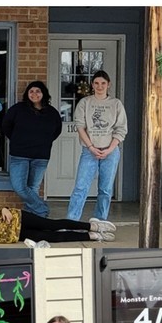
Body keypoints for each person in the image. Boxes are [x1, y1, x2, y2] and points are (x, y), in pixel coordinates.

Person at [67, 70, 128, 222]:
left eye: (103, 83)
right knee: (81, 187)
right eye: (96, 83)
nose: (100, 86)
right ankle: (71, 221)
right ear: (92, 85)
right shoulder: (85, 103)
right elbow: (80, 126)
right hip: (89, 151)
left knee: (105, 189)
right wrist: (91, 147)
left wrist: (110, 149)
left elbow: (121, 129)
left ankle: (100, 221)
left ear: (108, 85)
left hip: (110, 151)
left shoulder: (116, 104)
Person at [0, 198, 116, 246]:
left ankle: (93, 225)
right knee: (53, 238)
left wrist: (4, 209)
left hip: (16, 217)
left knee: (52, 225)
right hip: (15, 235)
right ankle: (93, 236)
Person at [1, 81, 62, 218]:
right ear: (27, 94)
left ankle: (33, 217)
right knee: (19, 187)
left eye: (38, 91)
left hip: (41, 156)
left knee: (33, 187)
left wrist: (44, 142)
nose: (34, 94)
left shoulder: (52, 113)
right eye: (31, 91)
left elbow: (56, 131)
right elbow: (6, 126)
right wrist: (17, 139)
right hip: (19, 155)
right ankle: (42, 209)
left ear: (43, 93)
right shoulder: (18, 109)